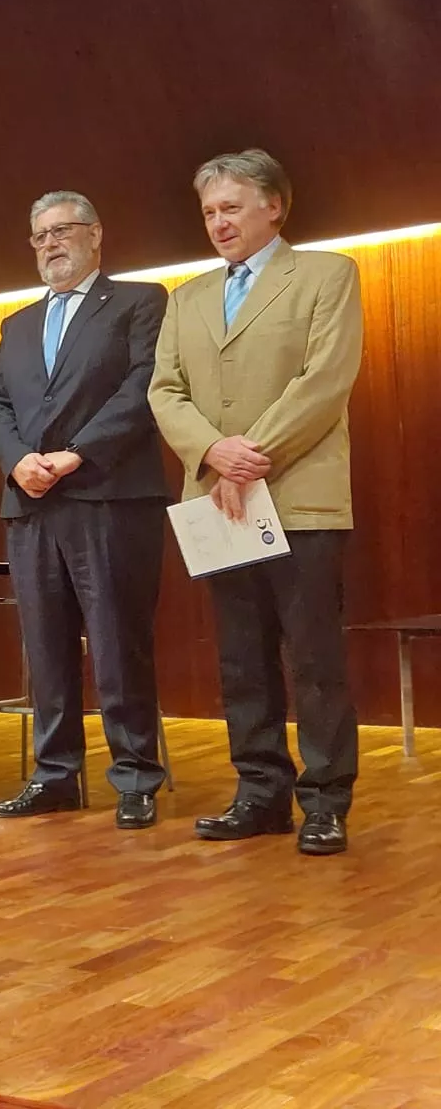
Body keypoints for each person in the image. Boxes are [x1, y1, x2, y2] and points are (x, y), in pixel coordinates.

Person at [149, 148, 363, 856]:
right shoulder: (187, 298)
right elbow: (164, 392)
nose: (218, 222)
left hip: (297, 494)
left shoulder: (329, 275)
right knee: (241, 658)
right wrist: (214, 453)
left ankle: (326, 801)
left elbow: (324, 378)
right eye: (209, 211)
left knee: (313, 657)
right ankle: (260, 793)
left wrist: (250, 453)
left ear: (275, 205)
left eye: (231, 207)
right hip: (218, 497)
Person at [0, 192, 170, 829]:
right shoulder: (15, 325)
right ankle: (56, 775)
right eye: (39, 236)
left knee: (120, 644)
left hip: (108, 496)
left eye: (62, 231)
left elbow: (142, 388)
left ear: (95, 235)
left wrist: (73, 456)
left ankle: (136, 776)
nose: (50, 244)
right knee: (46, 649)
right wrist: (16, 462)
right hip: (31, 505)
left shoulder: (141, 303)